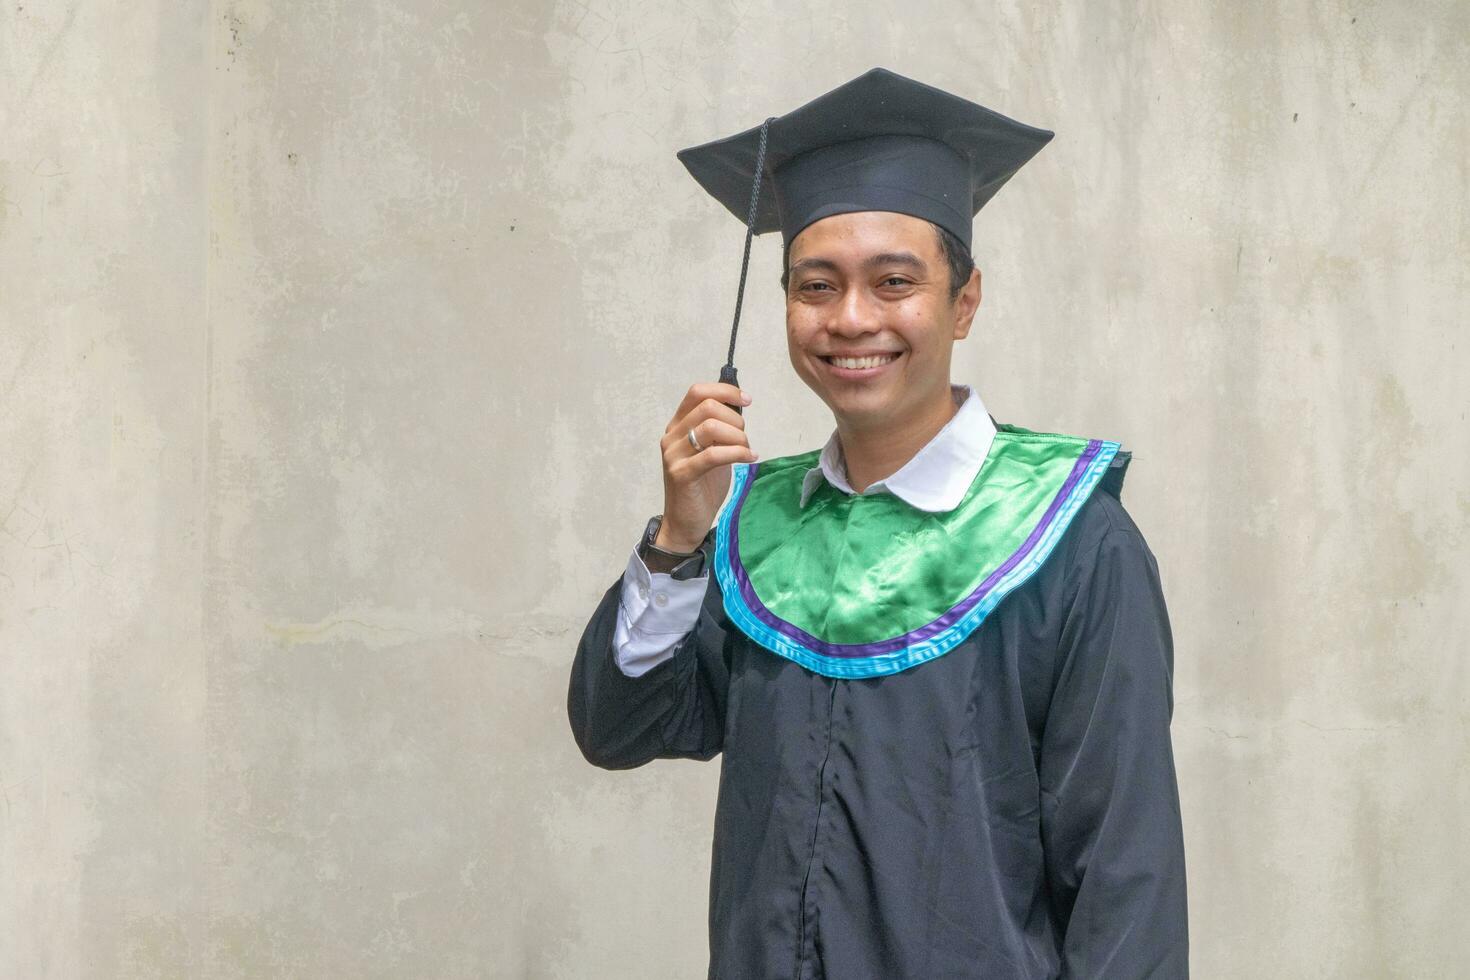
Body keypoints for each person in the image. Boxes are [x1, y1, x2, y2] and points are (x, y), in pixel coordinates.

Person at [567, 68, 1188, 979]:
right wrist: (678, 539)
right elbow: (619, 730)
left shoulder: (1070, 541)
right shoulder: (749, 533)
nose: (851, 319)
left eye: (893, 282)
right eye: (816, 286)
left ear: (962, 302)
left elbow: (1126, 880)